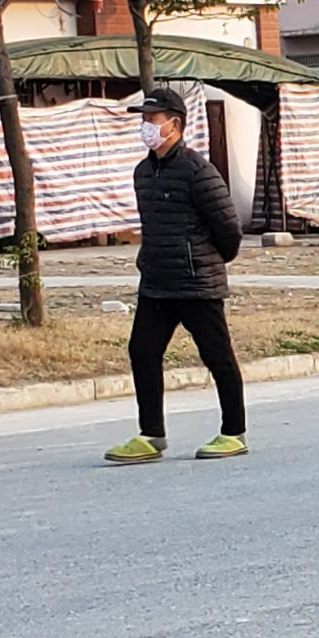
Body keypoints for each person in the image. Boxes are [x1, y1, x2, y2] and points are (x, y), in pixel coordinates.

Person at [104, 87, 248, 464]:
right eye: (144, 120)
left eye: (152, 119)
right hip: (157, 282)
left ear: (175, 124)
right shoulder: (143, 173)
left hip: (196, 282)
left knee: (217, 355)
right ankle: (151, 434)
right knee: (142, 351)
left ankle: (233, 432)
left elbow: (229, 229)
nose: (146, 126)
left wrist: (207, 261)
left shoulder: (198, 171)